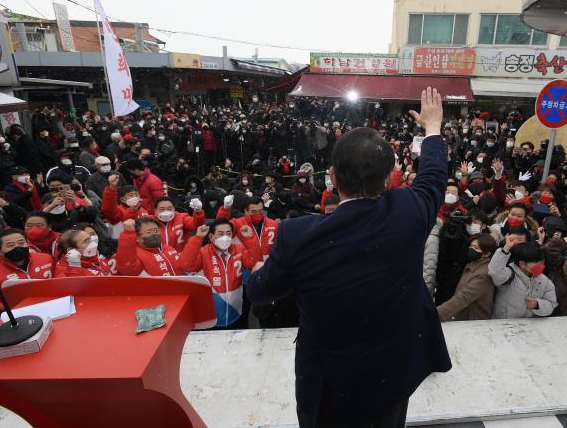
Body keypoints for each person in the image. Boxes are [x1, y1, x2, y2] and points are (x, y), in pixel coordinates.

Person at [247, 87, 452, 428]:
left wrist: (257, 272)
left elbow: (260, 292)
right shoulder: (410, 211)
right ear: (389, 178)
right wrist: (433, 129)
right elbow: (433, 176)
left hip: (329, 383)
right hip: (391, 373)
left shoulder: (298, 235)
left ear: (332, 177)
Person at [178, 219, 263, 327]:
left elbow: (256, 263)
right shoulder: (204, 252)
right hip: (213, 314)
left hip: (236, 310)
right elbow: (186, 266)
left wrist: (250, 239)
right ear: (211, 237)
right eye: (220, 234)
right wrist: (197, 238)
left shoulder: (239, 249)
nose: (225, 237)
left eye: (228, 233)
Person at [487, 237, 557, 319]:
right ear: (522, 264)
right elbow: (495, 271)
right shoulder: (508, 274)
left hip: (528, 326)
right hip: (503, 323)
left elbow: (551, 304)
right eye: (537, 263)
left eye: (542, 262)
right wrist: (506, 249)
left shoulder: (544, 281)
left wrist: (537, 305)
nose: (541, 266)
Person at [437, 234, 497, 321]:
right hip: (464, 316)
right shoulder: (473, 264)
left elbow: (464, 297)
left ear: (487, 254)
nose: (471, 249)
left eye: (476, 248)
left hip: (472, 321)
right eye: (471, 246)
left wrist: (438, 313)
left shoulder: (484, 274)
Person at [114, 218, 188, 276]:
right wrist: (128, 234)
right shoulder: (136, 254)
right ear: (137, 238)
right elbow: (127, 269)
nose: (154, 234)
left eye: (156, 230)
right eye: (149, 232)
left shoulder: (169, 248)